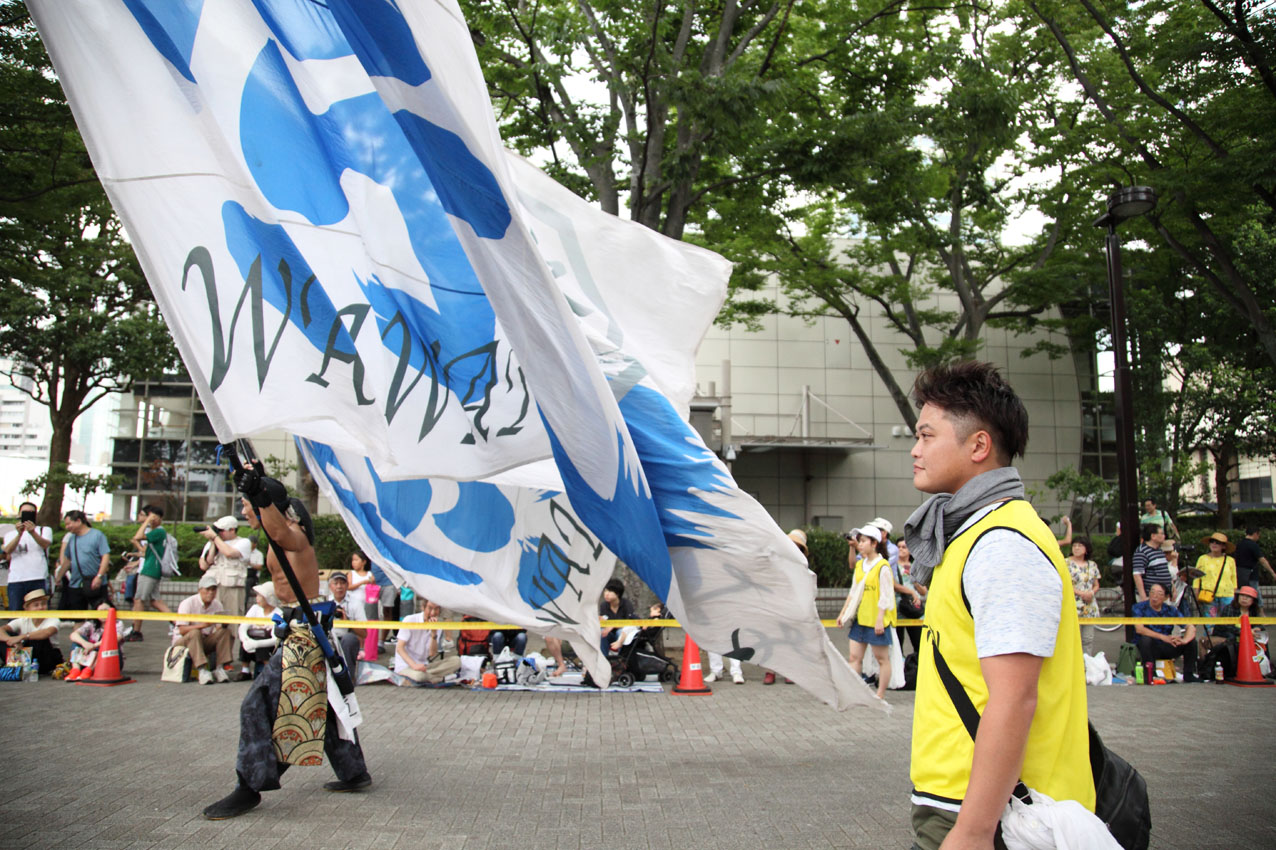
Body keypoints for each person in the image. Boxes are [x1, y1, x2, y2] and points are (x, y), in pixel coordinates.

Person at [903, 361, 1092, 850]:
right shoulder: (970, 533)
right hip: (967, 800)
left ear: (979, 445)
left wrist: (973, 830)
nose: (914, 450)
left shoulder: (1002, 542)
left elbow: (1014, 698)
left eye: (926, 436)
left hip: (997, 815)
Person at [203, 468, 370, 820]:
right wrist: (258, 482)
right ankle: (354, 771)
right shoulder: (280, 537)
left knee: (256, 705)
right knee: (324, 704)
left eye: (249, 504)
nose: (245, 510)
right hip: (301, 630)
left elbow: (276, 526)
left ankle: (248, 788)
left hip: (305, 636)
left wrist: (261, 492)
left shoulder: (291, 535)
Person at [836, 527, 895, 701]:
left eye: (863, 541)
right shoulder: (861, 565)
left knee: (881, 658)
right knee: (854, 657)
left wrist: (879, 619)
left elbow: (886, 594)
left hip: (877, 620)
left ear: (874, 543)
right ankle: (855, 693)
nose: (860, 545)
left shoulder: (883, 566)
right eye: (859, 541)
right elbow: (853, 591)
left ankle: (880, 694)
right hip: (860, 618)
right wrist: (843, 614)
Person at [174, 574, 234, 685]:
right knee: (195, 633)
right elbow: (182, 630)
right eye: (207, 589)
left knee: (225, 632)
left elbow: (217, 629)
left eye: (213, 590)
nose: (210, 593)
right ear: (200, 590)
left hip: (203, 640)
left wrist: (223, 624)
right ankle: (202, 669)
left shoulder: (217, 604)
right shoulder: (187, 603)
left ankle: (219, 667)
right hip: (183, 642)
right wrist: (202, 626)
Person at [1131, 582, 1199, 681]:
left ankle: (1189, 674)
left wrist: (1184, 640)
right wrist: (1162, 637)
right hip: (1148, 646)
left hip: (1166, 644)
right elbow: (1139, 629)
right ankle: (1149, 673)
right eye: (1152, 592)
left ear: (1166, 597)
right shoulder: (1139, 607)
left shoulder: (1170, 610)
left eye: (1159, 594)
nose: (1155, 596)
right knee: (1145, 640)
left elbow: (1191, 627)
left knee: (1191, 641)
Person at [53, 510, 112, 614]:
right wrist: (59, 577)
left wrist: (99, 576)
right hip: (76, 584)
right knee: (78, 617)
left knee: (102, 615)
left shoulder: (97, 535)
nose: (67, 527)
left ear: (78, 521)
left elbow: (105, 557)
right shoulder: (72, 539)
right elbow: (67, 561)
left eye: (68, 524)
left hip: (95, 583)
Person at [129, 507, 173, 639]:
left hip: (150, 570)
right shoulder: (157, 532)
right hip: (151, 568)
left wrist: (147, 521)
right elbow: (145, 550)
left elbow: (137, 537)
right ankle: (176, 622)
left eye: (150, 516)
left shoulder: (158, 532)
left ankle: (136, 631)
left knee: (139, 599)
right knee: (155, 601)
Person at [393, 598, 461, 684]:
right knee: (419, 676)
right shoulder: (410, 620)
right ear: (423, 607)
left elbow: (432, 653)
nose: (433, 613)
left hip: (424, 666)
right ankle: (442, 679)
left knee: (456, 661)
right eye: (430, 608)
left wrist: (433, 634)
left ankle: (430, 677)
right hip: (406, 666)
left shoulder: (437, 626)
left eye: (436, 609)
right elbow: (399, 648)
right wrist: (414, 665)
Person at [3, 501, 53, 612]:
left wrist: (33, 532)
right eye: (25, 512)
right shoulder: (10, 534)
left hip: (38, 577)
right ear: (19, 514)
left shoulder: (44, 530)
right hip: (16, 579)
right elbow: (7, 550)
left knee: (39, 613)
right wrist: (19, 534)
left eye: (31, 512)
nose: (27, 514)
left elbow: (45, 544)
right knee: (16, 613)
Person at [0, 588, 64, 672]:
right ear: (27, 609)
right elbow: (2, 629)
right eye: (36, 605)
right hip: (28, 655)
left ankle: (30, 667)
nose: (41, 607)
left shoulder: (53, 619)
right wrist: (11, 640)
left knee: (37, 639)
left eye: (43, 604)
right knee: (4, 638)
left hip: (48, 656)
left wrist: (22, 637)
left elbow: (47, 632)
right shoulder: (22, 620)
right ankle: (14, 665)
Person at [199, 516, 252, 616]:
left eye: (221, 530)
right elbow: (204, 565)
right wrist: (213, 543)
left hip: (233, 587)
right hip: (213, 586)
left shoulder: (243, 542)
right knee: (211, 617)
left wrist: (215, 538)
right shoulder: (213, 542)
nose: (219, 533)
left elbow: (229, 552)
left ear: (232, 530)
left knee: (232, 616)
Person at [66, 602, 126, 680]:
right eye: (100, 610)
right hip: (89, 656)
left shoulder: (118, 623)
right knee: (78, 640)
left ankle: (89, 670)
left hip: (111, 659)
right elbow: (73, 635)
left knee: (108, 641)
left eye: (106, 610)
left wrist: (94, 646)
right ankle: (75, 670)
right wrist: (85, 643)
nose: (103, 613)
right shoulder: (91, 624)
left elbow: (116, 638)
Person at [1066, 538, 1101, 657]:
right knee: (1072, 638)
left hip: (1089, 605)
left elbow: (1096, 584)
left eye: (1080, 546)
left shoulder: (1092, 565)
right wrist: (1081, 593)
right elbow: (1065, 584)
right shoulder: (1066, 563)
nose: (1076, 548)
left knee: (1088, 638)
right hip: (1073, 604)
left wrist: (1091, 592)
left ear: (1086, 549)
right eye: (1074, 545)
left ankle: (1087, 663)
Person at [238, 582, 280, 680]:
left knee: (262, 640)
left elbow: (276, 639)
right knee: (247, 637)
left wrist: (256, 644)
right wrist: (246, 640)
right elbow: (243, 627)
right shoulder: (254, 609)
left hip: (268, 647)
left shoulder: (279, 614)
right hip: (251, 643)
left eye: (259, 595)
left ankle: (268, 670)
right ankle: (245, 670)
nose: (257, 598)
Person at [326, 571, 366, 675]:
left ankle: (348, 676)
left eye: (342, 583)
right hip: (329, 636)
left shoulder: (356, 603)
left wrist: (348, 622)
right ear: (330, 586)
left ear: (347, 585)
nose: (339, 586)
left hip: (346, 638)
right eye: (336, 583)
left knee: (349, 639)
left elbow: (364, 634)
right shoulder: (325, 603)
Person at [1193, 532, 1238, 619]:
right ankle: (1211, 633)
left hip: (1227, 595)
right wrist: (1196, 592)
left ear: (1223, 546)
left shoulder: (1230, 560)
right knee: (1210, 622)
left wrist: (1234, 594)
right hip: (1208, 594)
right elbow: (1196, 577)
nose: (1214, 544)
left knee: (1227, 621)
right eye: (1212, 541)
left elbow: (1234, 578)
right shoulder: (1202, 559)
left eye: (1217, 542)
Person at [895, 536, 926, 655]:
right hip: (898, 609)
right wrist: (910, 592)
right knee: (898, 647)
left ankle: (916, 670)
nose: (901, 549)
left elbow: (923, 591)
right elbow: (893, 585)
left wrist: (914, 580)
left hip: (914, 609)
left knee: (919, 644)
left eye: (904, 547)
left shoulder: (915, 567)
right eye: (898, 547)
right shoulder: (892, 566)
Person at [1130, 524, 1172, 604]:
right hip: (1151, 597)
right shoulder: (1141, 552)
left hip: (1164, 595)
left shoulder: (1159, 551)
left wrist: (1172, 588)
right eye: (1162, 533)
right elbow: (1137, 575)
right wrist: (1143, 596)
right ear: (1153, 536)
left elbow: (1165, 571)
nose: (1164, 536)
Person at [599, 578, 634, 656]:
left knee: (620, 632)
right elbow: (605, 621)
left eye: (610, 591)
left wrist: (613, 625)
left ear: (617, 593)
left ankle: (622, 661)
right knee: (601, 633)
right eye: (605, 591)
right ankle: (603, 659)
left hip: (623, 633)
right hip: (610, 633)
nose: (606, 594)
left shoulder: (626, 604)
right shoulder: (603, 605)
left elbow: (630, 623)